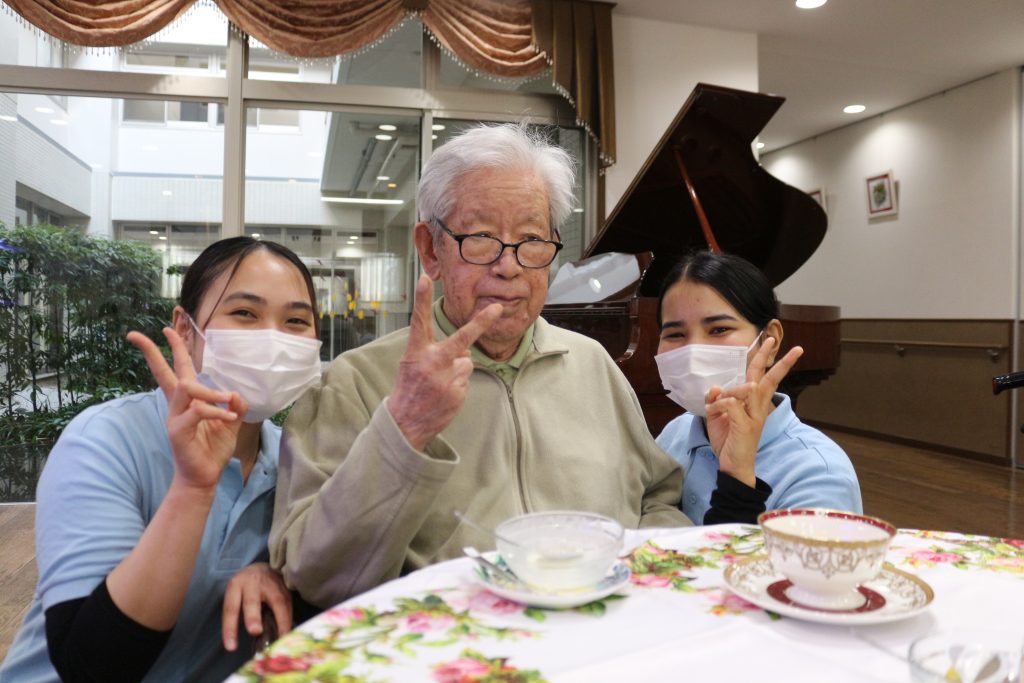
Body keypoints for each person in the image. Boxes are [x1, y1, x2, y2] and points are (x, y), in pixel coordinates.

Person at [271, 123, 689, 609]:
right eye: (482, 237)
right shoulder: (355, 381)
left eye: (531, 238)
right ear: (431, 250)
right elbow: (318, 577)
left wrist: (644, 577)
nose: (508, 266)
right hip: (456, 639)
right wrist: (403, 429)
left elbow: (659, 496)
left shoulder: (593, 363)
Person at [0, 237, 322, 683]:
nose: (274, 339)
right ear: (185, 328)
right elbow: (93, 667)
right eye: (245, 313)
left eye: (296, 321)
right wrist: (193, 489)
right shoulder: (106, 439)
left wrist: (279, 575)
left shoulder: (300, 459)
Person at [654, 250, 863, 525]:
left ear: (770, 339)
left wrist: (737, 478)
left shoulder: (819, 473)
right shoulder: (676, 432)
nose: (693, 351)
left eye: (719, 329)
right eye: (675, 334)